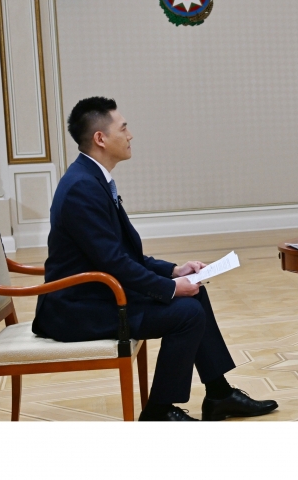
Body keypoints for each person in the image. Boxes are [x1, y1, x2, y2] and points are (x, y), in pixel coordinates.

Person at [33, 97, 279, 421]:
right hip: (78, 308)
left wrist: (175, 271)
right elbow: (114, 263)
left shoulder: (91, 178)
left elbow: (124, 255)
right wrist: (171, 288)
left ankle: (218, 394)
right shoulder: (82, 187)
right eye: (123, 128)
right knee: (187, 313)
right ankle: (158, 413)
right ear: (100, 138)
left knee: (195, 294)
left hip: (98, 293)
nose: (130, 135)